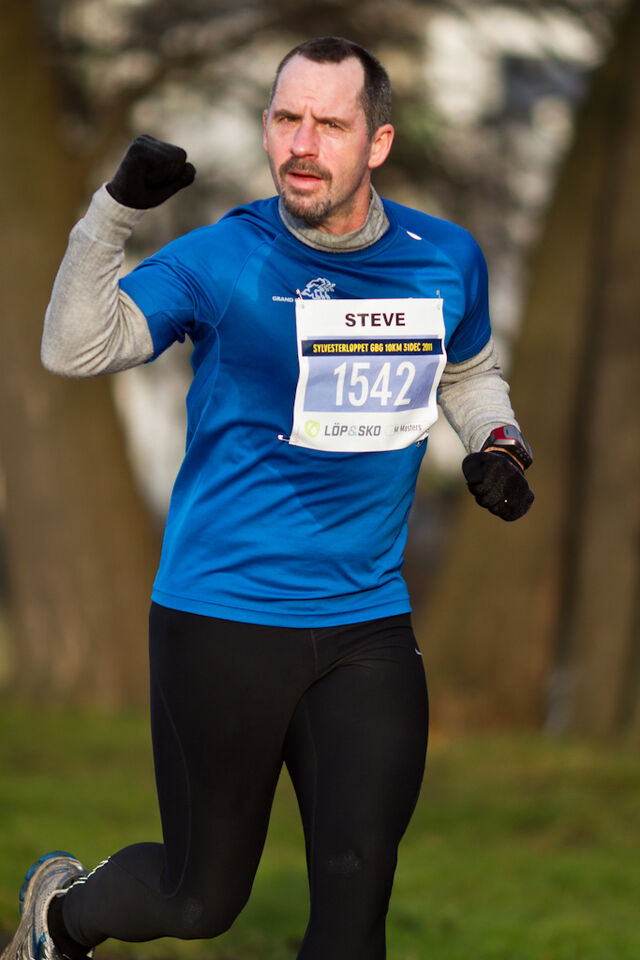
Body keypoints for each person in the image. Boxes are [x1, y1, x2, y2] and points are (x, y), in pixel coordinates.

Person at [2, 36, 534, 960]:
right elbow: (75, 348)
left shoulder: (445, 257)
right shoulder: (227, 257)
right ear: (265, 127)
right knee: (199, 900)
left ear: (378, 142)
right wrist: (115, 209)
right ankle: (59, 918)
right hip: (221, 618)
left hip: (366, 624)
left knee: (355, 902)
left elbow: (467, 367)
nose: (303, 143)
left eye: (330, 124)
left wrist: (498, 440)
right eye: (287, 118)